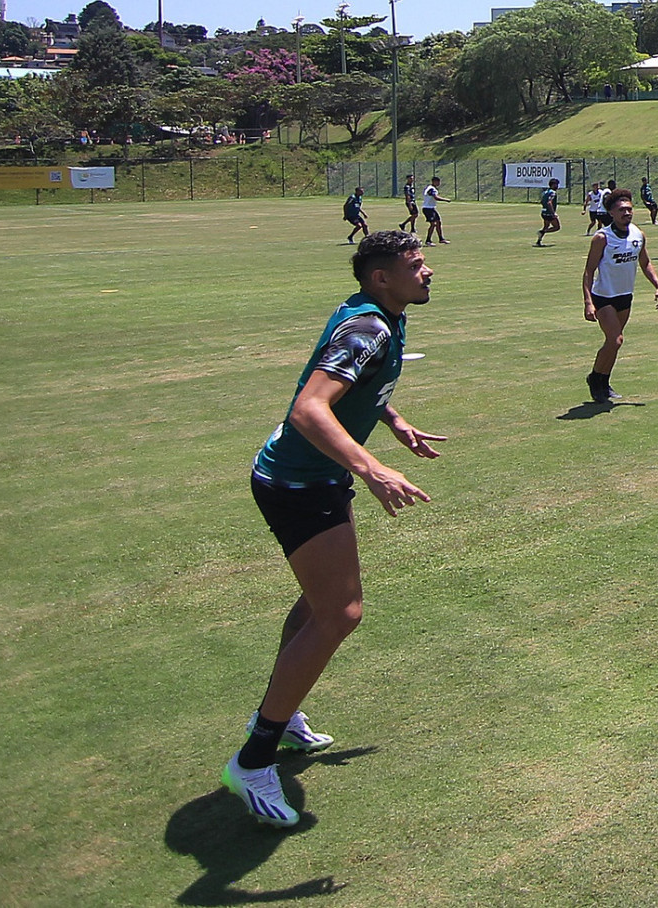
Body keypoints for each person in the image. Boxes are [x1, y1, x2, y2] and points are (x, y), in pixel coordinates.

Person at [223, 230, 446, 828]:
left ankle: (280, 718)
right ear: (381, 278)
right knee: (341, 612)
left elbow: (355, 388)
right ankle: (254, 755)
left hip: (307, 476)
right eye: (416, 264)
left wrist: (392, 420)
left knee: (320, 600)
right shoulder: (368, 327)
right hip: (299, 483)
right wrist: (372, 468)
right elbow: (309, 407)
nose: (428, 272)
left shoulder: (377, 317)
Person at [581, 188, 658, 402]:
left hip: (625, 297)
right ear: (611, 213)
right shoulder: (601, 238)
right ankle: (594, 379)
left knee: (613, 344)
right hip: (604, 296)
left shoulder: (638, 234)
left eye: (629, 209)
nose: (626, 213)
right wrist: (588, 303)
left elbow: (645, 263)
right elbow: (589, 271)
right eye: (621, 210)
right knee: (615, 340)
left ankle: (603, 381)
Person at [421, 177, 448, 245]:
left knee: (438, 222)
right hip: (428, 209)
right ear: (434, 181)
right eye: (438, 182)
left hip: (431, 208)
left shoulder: (430, 187)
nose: (439, 183)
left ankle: (441, 239)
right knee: (433, 224)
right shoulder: (431, 189)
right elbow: (435, 197)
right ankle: (428, 241)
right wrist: (445, 200)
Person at [535, 177, 562, 245]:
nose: (557, 186)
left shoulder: (545, 192)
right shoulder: (553, 193)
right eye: (556, 185)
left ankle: (538, 241)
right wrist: (553, 213)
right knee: (557, 227)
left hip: (544, 212)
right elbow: (549, 202)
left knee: (546, 226)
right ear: (553, 185)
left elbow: (542, 201)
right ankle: (542, 231)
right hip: (549, 213)